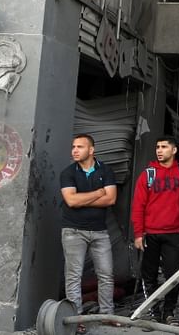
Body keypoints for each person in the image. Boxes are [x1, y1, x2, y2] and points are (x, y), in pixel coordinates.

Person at [131, 135, 179, 326]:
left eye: (163, 147)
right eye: (157, 147)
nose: (159, 150)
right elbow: (138, 205)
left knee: (173, 274)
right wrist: (138, 233)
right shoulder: (148, 174)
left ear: (174, 150)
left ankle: (169, 313)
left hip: (174, 233)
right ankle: (153, 313)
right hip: (150, 233)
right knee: (149, 275)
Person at [59, 134, 117, 324]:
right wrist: (99, 192)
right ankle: (77, 320)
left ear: (91, 150)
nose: (75, 150)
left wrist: (84, 198)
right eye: (73, 146)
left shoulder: (106, 171)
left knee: (106, 275)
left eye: (80, 147)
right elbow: (71, 201)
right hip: (73, 231)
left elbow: (111, 199)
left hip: (100, 231)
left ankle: (107, 316)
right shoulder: (68, 173)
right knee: (74, 277)